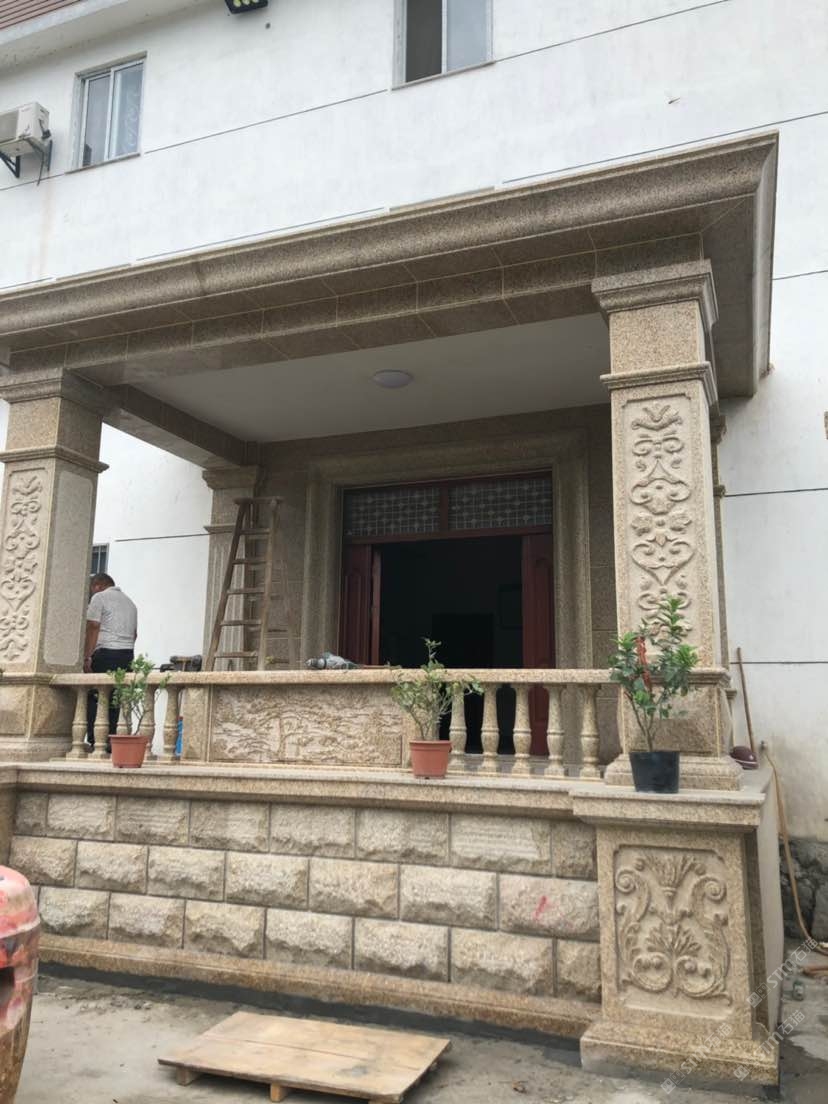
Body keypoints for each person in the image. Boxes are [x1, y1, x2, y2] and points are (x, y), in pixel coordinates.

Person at [84, 573, 138, 750]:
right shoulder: (130, 603)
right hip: (127, 654)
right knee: (116, 698)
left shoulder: (99, 598)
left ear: (98, 585)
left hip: (106, 653)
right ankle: (112, 742)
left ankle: (96, 740)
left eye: (92, 589)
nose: (92, 593)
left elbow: (93, 626)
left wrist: (87, 656)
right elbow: (134, 635)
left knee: (96, 696)